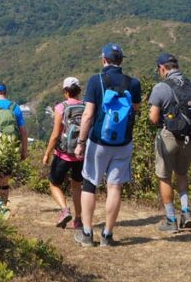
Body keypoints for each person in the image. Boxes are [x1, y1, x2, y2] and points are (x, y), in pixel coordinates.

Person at [72, 43, 141, 248]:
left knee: (90, 184)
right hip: (123, 142)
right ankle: (107, 235)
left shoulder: (96, 81)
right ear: (121, 61)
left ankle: (86, 233)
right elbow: (135, 110)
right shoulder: (134, 83)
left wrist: (81, 143)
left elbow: (88, 115)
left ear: (104, 60)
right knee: (115, 187)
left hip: (98, 142)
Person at [148, 52, 191, 232]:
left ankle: (171, 219)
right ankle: (186, 212)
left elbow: (154, 118)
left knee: (164, 176)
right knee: (182, 174)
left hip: (169, 137)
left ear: (162, 68)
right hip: (189, 138)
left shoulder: (161, 87)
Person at [42, 76, 86, 229]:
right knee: (77, 186)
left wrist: (47, 153)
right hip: (81, 155)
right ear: (79, 90)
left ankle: (65, 210)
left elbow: (55, 134)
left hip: (63, 154)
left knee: (54, 184)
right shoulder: (87, 106)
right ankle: (78, 219)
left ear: (65, 91)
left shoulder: (61, 107)